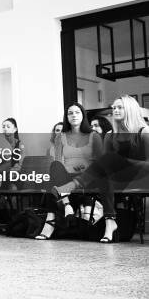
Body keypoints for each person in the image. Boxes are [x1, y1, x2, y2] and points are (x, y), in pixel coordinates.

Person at [53, 95, 148, 243]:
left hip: (142, 176)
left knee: (109, 159)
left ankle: (72, 186)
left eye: (120, 107)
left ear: (130, 109)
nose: (115, 110)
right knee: (104, 172)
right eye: (114, 108)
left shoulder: (144, 131)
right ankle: (110, 221)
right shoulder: (110, 135)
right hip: (120, 179)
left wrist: (121, 162)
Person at [35, 102, 102, 240]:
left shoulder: (94, 136)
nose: (74, 115)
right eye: (70, 113)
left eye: (77, 112)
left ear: (83, 115)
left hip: (87, 176)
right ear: (67, 117)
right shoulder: (61, 136)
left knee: (51, 184)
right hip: (68, 176)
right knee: (54, 166)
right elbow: (59, 161)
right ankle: (67, 205)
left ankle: (51, 221)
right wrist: (69, 169)